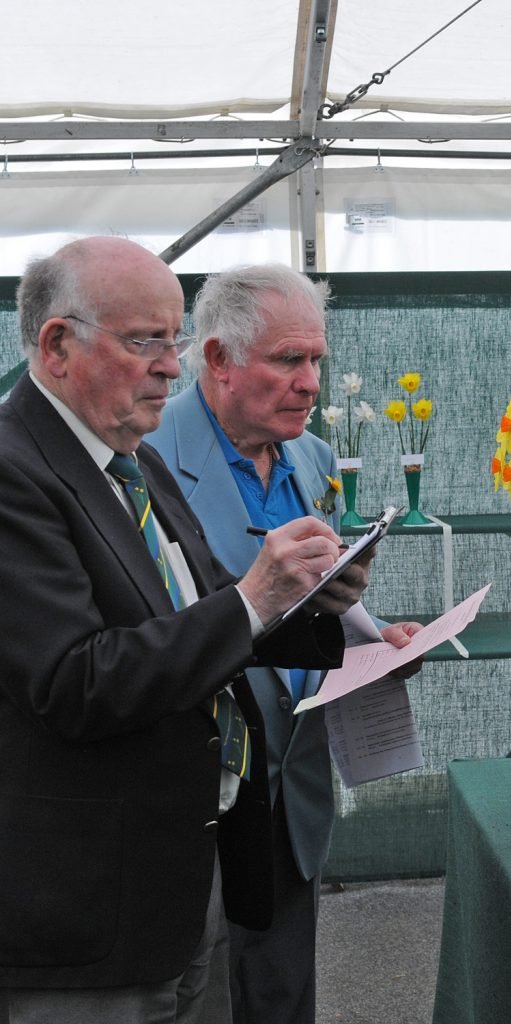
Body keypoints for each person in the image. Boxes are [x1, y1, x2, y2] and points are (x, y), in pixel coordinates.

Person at [0, 237, 373, 1024]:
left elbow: (207, 627)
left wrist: (307, 606)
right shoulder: (14, 471)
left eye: (171, 341)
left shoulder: (132, 460)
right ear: (57, 345)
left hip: (183, 873)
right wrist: (254, 595)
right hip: (89, 912)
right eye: (145, 342)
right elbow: (75, 679)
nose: (172, 366)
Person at [149, 263, 422, 1024]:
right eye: (287, 361)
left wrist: (372, 630)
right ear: (217, 359)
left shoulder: (313, 458)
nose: (309, 383)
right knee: (202, 994)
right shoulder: (147, 460)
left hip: (293, 782)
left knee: (283, 990)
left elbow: (312, 595)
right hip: (202, 788)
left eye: (316, 362)